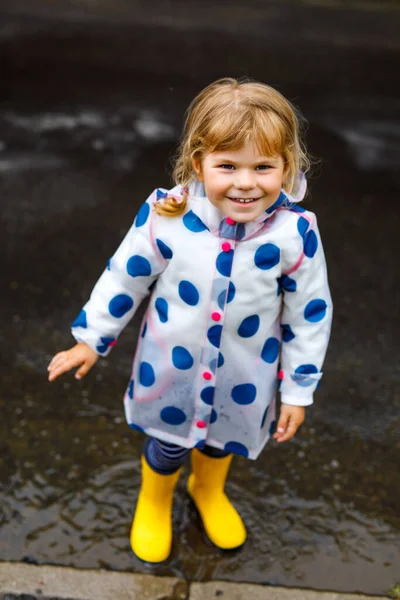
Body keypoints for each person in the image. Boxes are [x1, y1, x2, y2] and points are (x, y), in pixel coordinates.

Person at [48, 77, 332, 564]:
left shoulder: (296, 233)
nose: (246, 182)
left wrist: (298, 390)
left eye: (263, 167)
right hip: (171, 368)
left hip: (245, 373)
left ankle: (208, 490)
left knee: (222, 443)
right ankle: (155, 500)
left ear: (287, 167)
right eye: (228, 166)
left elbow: (309, 314)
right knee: (167, 444)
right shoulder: (168, 214)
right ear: (199, 161)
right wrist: (90, 340)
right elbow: (125, 278)